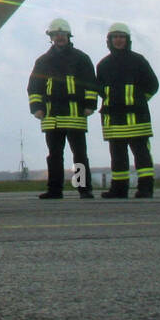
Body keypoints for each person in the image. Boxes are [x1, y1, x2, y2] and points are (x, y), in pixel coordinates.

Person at [28, 18, 97, 199]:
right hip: (51, 117)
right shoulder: (43, 61)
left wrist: (90, 105)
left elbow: (91, 84)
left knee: (80, 155)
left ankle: (84, 189)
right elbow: (34, 87)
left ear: (68, 36)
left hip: (75, 115)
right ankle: (55, 190)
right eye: (56, 35)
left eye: (62, 34)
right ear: (51, 37)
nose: (59, 37)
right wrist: (36, 108)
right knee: (54, 156)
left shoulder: (81, 59)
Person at [95, 23, 159, 198]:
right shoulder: (103, 65)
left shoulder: (139, 61)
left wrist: (138, 100)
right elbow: (98, 88)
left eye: (121, 36)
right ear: (109, 40)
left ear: (127, 39)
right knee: (117, 156)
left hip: (136, 117)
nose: (118, 40)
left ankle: (146, 188)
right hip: (114, 118)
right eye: (114, 37)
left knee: (142, 155)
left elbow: (153, 85)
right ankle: (119, 189)